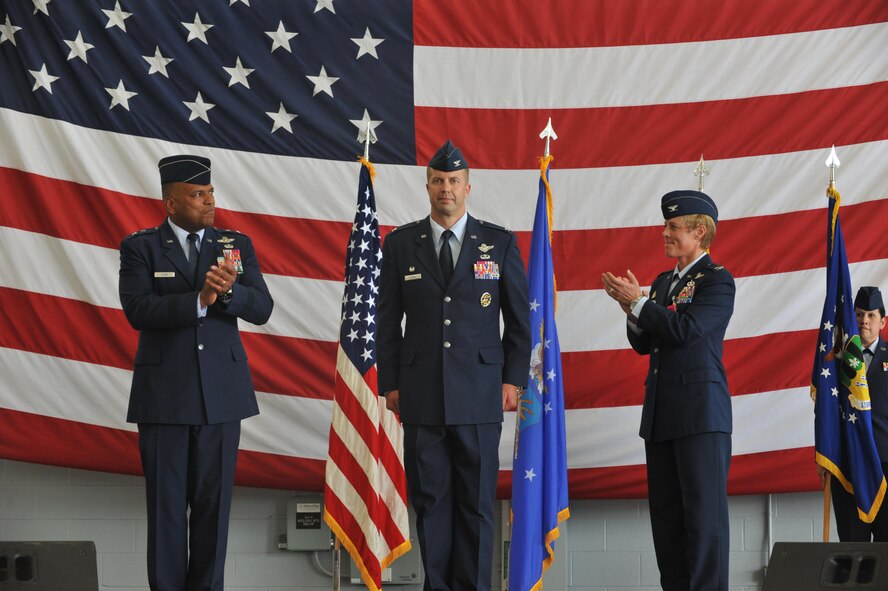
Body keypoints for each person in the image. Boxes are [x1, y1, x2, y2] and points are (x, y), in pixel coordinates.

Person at [377, 140, 531, 590]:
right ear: (428, 186)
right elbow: (387, 321)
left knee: (477, 507)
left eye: (454, 182)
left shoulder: (499, 243)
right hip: (420, 393)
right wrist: (391, 382)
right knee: (431, 503)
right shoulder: (402, 243)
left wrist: (512, 380)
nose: (447, 189)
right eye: (439, 181)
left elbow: (520, 322)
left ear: (468, 188)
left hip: (481, 393)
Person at [119, 155, 273, 591]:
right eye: (197, 194)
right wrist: (199, 299)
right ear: (170, 202)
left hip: (221, 398)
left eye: (210, 192)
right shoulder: (141, 247)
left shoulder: (235, 245)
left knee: (213, 510)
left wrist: (228, 295)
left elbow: (262, 308)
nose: (209, 202)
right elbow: (137, 309)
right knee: (167, 511)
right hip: (164, 398)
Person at [602, 189, 735, 591]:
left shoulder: (717, 281)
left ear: (699, 231)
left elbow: (687, 331)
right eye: (666, 225)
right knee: (668, 522)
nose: (664, 233)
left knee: (704, 522)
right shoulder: (662, 284)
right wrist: (632, 311)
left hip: (700, 417)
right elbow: (647, 344)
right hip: (662, 418)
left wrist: (641, 305)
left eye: (673, 226)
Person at [819, 286, 888, 541]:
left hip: (885, 465)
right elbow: (825, 414)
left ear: (883, 320)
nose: (864, 321)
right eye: (858, 314)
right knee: (851, 549)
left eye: (871, 315)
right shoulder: (834, 360)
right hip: (847, 465)